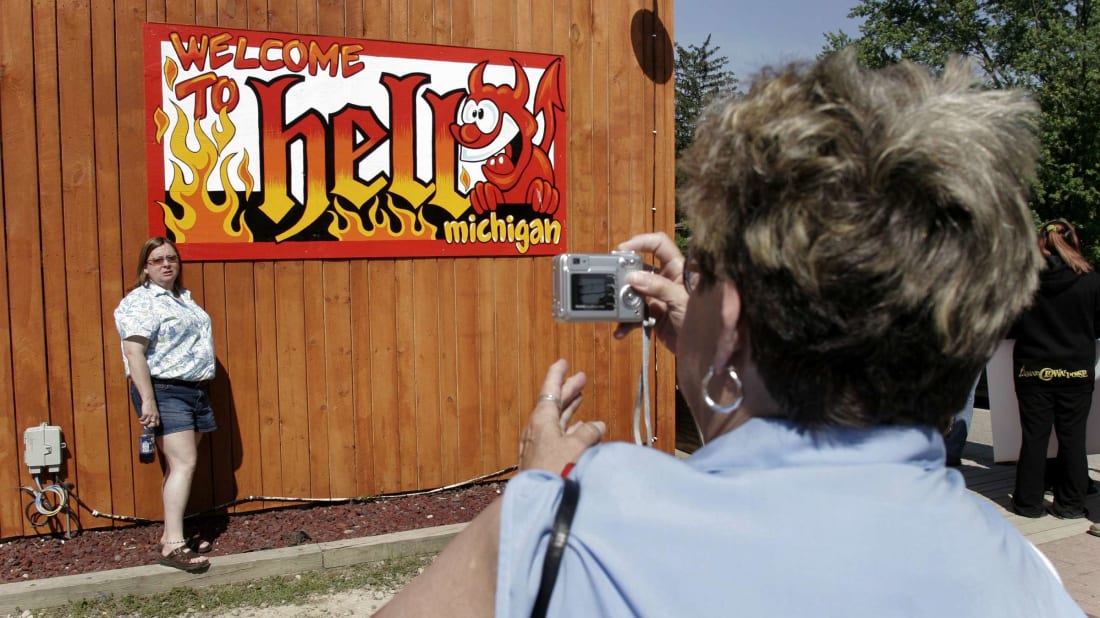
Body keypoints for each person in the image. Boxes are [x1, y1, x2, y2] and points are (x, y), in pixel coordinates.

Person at [378, 50, 1081, 616]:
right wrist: (717, 357)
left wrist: (537, 489)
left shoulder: (571, 528)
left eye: (703, 269)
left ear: (735, 314)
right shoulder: (1030, 578)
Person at [114, 237, 216, 572]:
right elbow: (134, 353)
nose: (166, 264)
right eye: (157, 260)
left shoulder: (182, 298)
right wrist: (148, 400)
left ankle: (173, 534)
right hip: (164, 390)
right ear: (145, 266)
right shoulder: (141, 301)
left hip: (193, 390)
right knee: (184, 463)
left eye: (171, 258)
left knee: (179, 465)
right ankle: (173, 545)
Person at [1009, 219, 1100, 519]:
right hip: (1075, 370)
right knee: (1073, 438)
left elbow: (1009, 326)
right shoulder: (1091, 280)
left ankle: (1028, 504)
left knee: (1034, 437)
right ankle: (1070, 505)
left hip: (1033, 370)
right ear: (1074, 241)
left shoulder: (1025, 283)